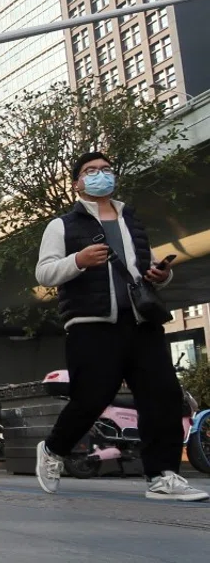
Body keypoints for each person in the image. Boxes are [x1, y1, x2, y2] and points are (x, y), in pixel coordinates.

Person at [34, 151, 208, 502]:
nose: (100, 175)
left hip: (141, 322)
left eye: (105, 169)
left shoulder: (131, 220)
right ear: (77, 184)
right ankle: (53, 450)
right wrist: (78, 261)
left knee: (162, 397)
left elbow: (140, 271)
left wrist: (162, 275)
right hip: (92, 325)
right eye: (90, 171)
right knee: (91, 398)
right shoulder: (62, 225)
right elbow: (44, 273)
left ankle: (162, 476)